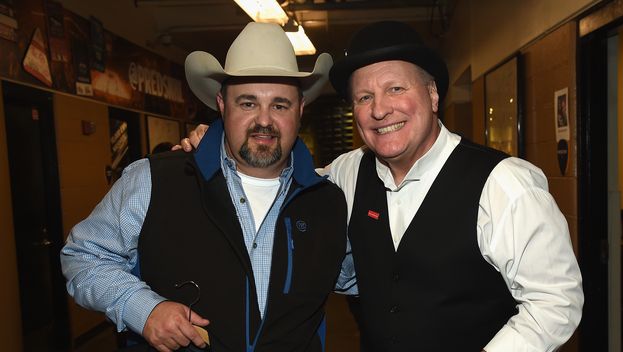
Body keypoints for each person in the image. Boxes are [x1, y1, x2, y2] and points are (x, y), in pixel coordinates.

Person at [181, 21, 584, 352]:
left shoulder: (504, 184)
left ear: (432, 94)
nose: (379, 109)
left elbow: (556, 301)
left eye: (395, 89)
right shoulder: (346, 174)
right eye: (363, 97)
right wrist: (216, 147)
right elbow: (274, 176)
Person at [61, 22, 348, 352]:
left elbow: (363, 278)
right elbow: (84, 256)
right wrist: (142, 309)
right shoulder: (154, 179)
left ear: (300, 110)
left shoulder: (329, 202)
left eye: (280, 105)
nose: (264, 120)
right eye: (247, 103)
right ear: (222, 106)